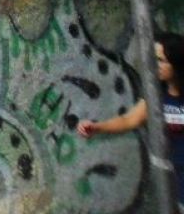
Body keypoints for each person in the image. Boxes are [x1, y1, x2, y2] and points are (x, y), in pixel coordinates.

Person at [78, 32, 184, 209]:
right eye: (153, 59)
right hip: (177, 181)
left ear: (177, 62)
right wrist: (97, 127)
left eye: (161, 60)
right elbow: (129, 120)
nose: (155, 65)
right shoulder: (156, 96)